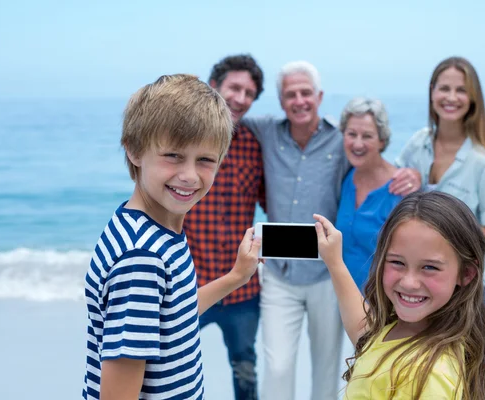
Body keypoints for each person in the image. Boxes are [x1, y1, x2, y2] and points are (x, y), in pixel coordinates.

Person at [82, 74, 262, 400]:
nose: (190, 175)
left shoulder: (157, 230)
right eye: (173, 156)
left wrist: (237, 276)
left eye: (205, 160)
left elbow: (175, 313)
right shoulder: (141, 260)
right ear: (135, 151)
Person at [314, 191, 485, 400]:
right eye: (397, 262)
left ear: (466, 273)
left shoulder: (429, 375)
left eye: (429, 267)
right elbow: (366, 334)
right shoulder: (399, 331)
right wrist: (335, 262)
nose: (409, 282)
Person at [242, 61, 348, 400]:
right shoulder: (267, 130)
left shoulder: (342, 140)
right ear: (280, 100)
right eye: (290, 95)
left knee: (327, 369)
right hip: (279, 274)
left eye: (306, 93)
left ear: (319, 96)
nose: (299, 101)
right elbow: (226, 115)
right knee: (278, 368)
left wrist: (409, 177)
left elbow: (373, 165)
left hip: (325, 277)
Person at [392, 56, 485, 319]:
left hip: (471, 287)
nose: (451, 97)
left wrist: (444, 232)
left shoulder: (484, 162)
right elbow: (391, 191)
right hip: (423, 282)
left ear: (473, 99)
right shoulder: (418, 144)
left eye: (461, 90)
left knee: (463, 361)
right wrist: (405, 177)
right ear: (432, 93)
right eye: (444, 88)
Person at [183, 54, 265, 400]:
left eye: (249, 93)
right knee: (171, 364)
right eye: (235, 87)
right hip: (190, 284)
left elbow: (276, 202)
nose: (241, 98)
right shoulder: (185, 138)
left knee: (245, 367)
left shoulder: (253, 145)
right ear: (214, 85)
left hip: (241, 290)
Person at [335, 97, 404, 292]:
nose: (358, 143)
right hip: (347, 301)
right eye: (351, 134)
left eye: (367, 136)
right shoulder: (346, 179)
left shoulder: (401, 190)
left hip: (386, 304)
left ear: (382, 141)